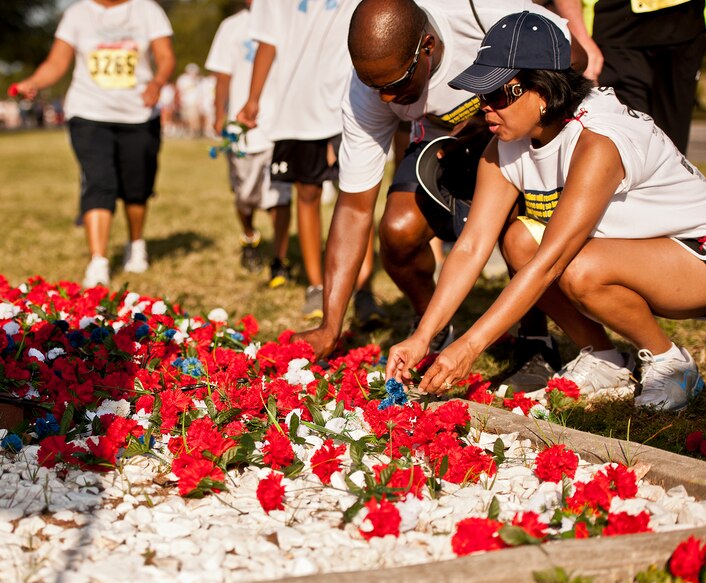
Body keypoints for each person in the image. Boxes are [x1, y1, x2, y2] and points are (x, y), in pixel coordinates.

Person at [386, 10, 706, 411]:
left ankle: (671, 363)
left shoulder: (596, 143)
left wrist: (470, 346)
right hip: (645, 253)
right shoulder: (505, 143)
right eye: (481, 95)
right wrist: (424, 337)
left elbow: (551, 263)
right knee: (520, 240)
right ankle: (604, 359)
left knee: (574, 265)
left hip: (695, 253)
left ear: (543, 89)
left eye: (498, 94)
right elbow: (471, 247)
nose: (485, 108)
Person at [293, 0, 578, 376]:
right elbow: (354, 207)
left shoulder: (479, 11)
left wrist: (505, 110)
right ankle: (432, 326)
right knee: (397, 231)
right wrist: (331, 325)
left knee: (516, 232)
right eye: (373, 86)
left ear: (427, 45)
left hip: (516, 133)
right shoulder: (371, 89)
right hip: (441, 145)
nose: (387, 99)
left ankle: (534, 336)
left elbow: (574, 56)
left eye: (395, 84)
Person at [236, 0, 385, 324]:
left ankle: (362, 290)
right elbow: (267, 42)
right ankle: (316, 287)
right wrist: (253, 98)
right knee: (307, 193)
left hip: (353, 96)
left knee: (360, 192)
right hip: (298, 103)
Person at [14, 0, 175, 289]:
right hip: (89, 112)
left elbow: (165, 56)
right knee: (99, 181)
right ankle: (98, 260)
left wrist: (158, 82)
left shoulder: (147, 10)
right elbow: (57, 62)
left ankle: (135, 244)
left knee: (136, 187)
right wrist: (34, 82)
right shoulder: (77, 14)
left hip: (138, 113)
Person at [205, 0, 293, 280]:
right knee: (245, 196)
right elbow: (222, 75)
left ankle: (280, 258)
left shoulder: (288, 19)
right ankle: (249, 234)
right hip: (243, 125)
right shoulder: (232, 26)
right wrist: (219, 112)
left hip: (281, 122)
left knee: (280, 195)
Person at [583, 0, 706, 154]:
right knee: (625, 144)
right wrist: (582, 39)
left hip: (684, 31)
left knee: (672, 150)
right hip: (616, 33)